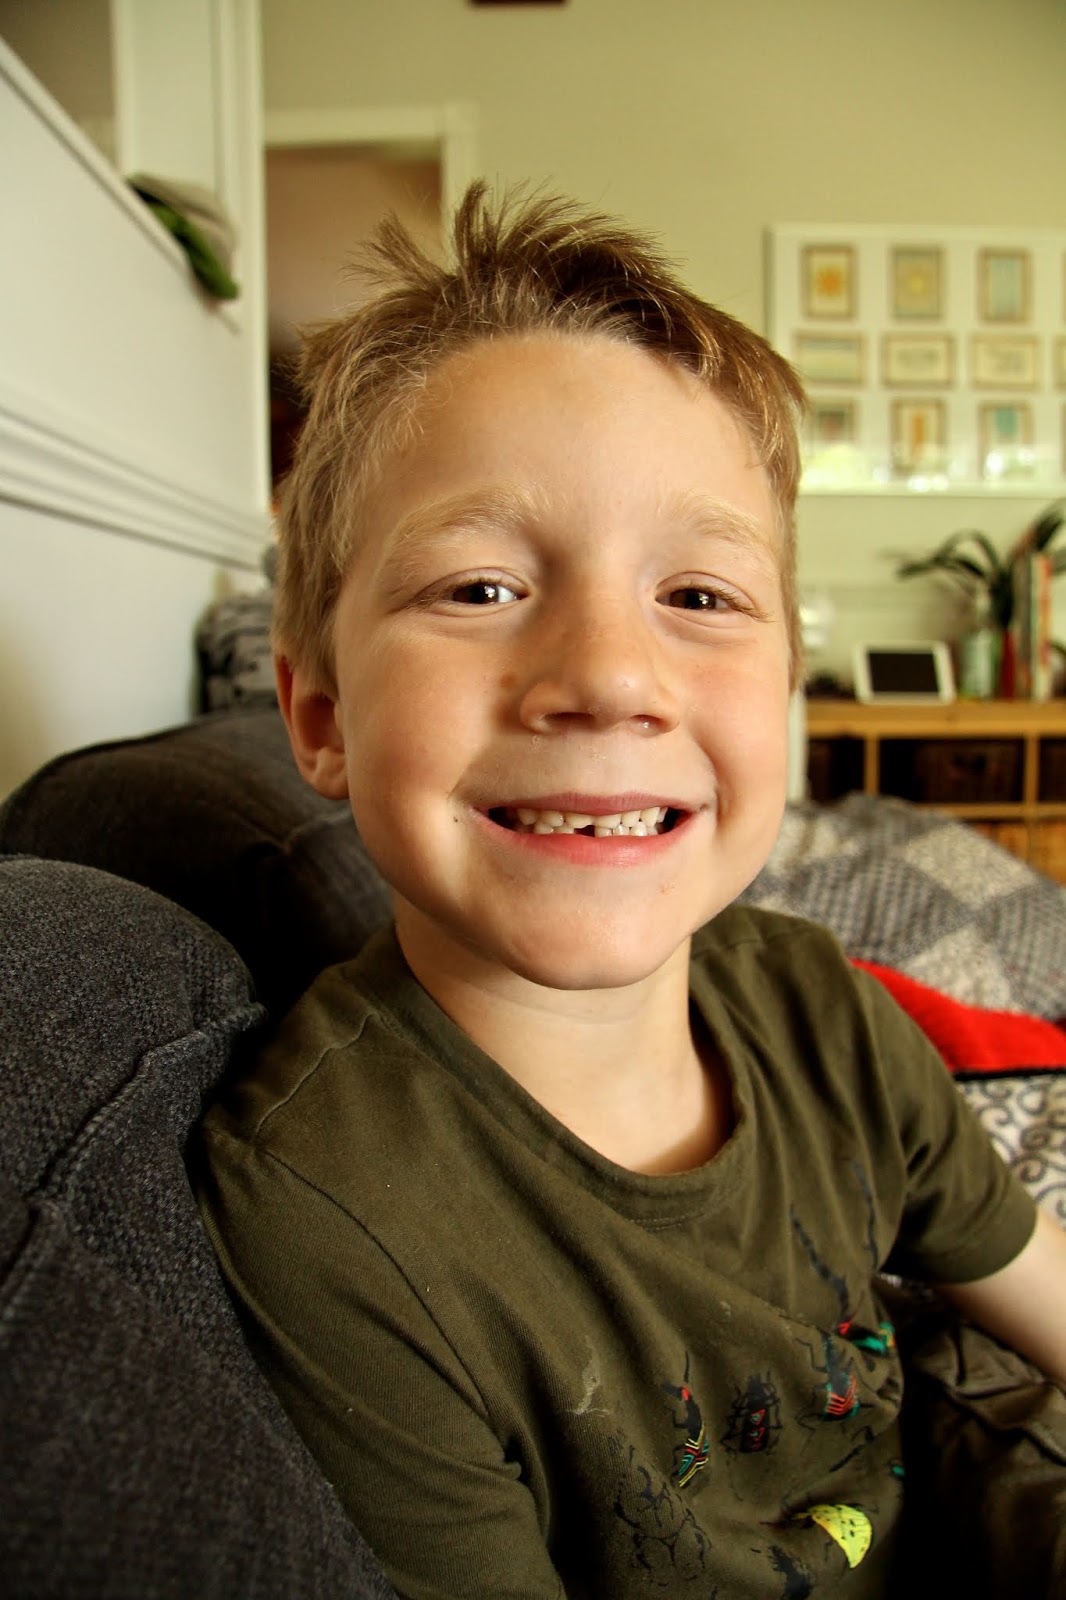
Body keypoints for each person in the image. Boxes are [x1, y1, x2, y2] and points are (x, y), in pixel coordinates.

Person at [196, 183, 1066, 1598]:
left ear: (787, 695)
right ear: (321, 716)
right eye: (479, 588)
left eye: (700, 597)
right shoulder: (322, 1213)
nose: (608, 675)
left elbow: (1038, 1292)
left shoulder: (821, 1010)